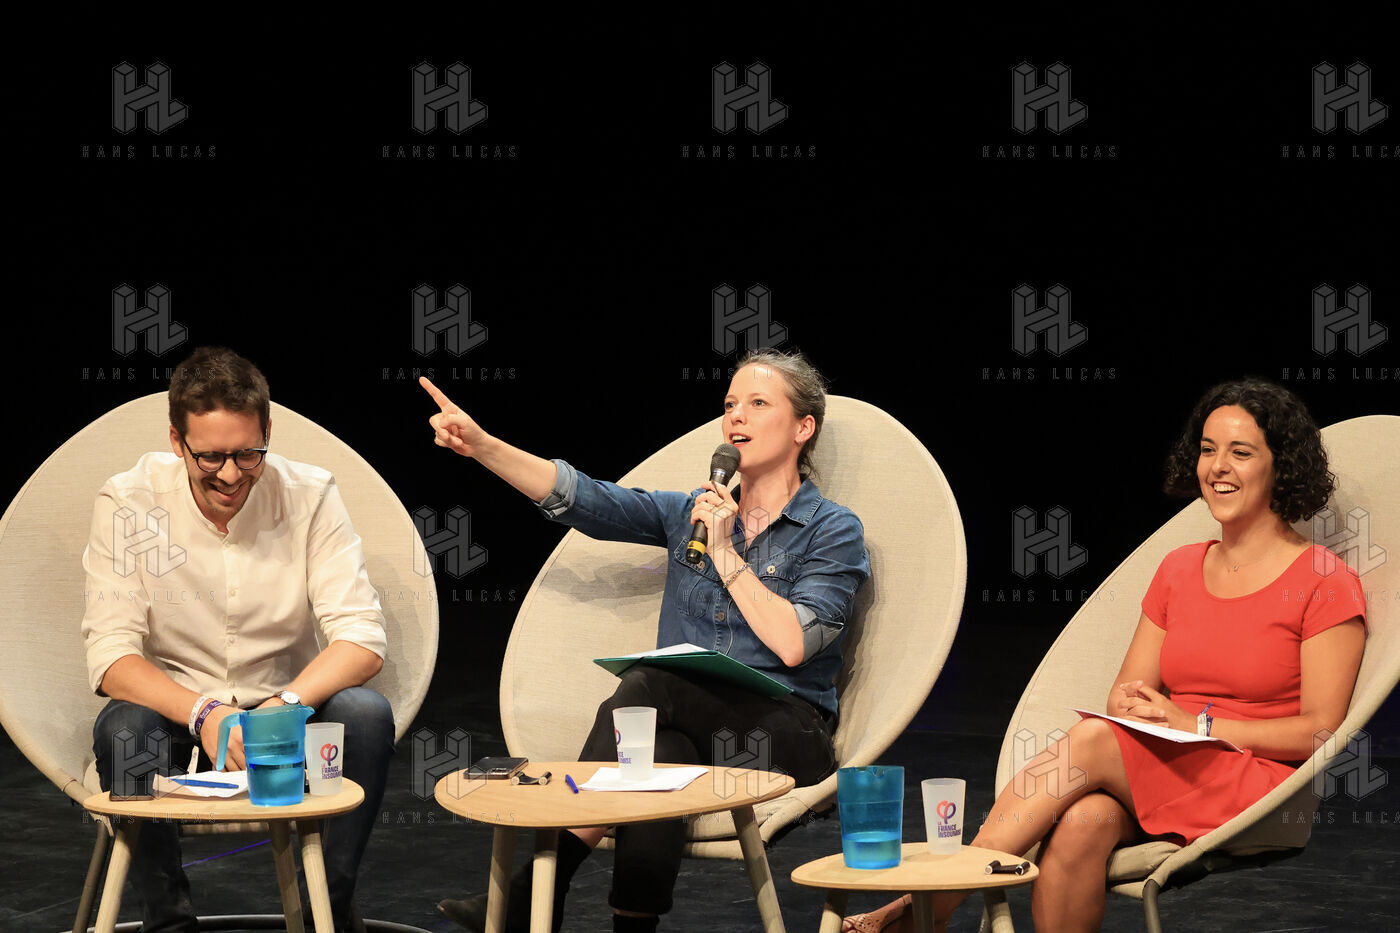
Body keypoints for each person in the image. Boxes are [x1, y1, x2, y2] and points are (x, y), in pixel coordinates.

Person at [844, 378, 1367, 933]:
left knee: (1094, 738)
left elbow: (1320, 731)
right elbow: (1126, 691)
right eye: (1208, 449)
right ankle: (929, 910)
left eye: (1241, 452)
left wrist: (1196, 724)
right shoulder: (1179, 568)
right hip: (1175, 764)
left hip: (1260, 784)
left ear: (1281, 467)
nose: (1218, 466)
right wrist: (1140, 708)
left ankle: (929, 908)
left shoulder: (1323, 580)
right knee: (1080, 824)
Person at [425, 348, 870, 932]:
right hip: (692, 732)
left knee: (650, 682)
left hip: (786, 735)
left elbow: (794, 644)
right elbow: (586, 498)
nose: (736, 416)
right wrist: (483, 445)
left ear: (802, 428)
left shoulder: (833, 529)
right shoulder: (688, 513)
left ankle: (537, 888)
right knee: (655, 750)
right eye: (730, 404)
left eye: (758, 404)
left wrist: (725, 551)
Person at [82, 346, 395, 933]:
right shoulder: (129, 501)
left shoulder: (309, 493)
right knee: (124, 728)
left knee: (366, 714)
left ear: (267, 433)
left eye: (248, 454)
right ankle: (168, 922)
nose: (230, 475)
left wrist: (284, 706)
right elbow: (111, 656)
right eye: (210, 456)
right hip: (179, 714)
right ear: (177, 442)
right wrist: (205, 713)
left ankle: (326, 912)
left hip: (287, 712)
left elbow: (362, 636)